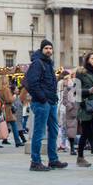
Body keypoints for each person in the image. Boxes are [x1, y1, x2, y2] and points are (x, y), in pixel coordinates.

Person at [25, 39, 66, 171]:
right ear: (42, 50)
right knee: (39, 132)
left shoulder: (49, 64)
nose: (49, 50)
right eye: (46, 48)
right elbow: (32, 83)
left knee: (53, 131)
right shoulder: (37, 63)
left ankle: (53, 160)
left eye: (50, 48)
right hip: (42, 103)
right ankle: (35, 161)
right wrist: (42, 98)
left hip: (51, 102)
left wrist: (52, 99)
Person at [59, 68, 80, 153]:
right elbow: (64, 100)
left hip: (80, 110)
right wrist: (70, 107)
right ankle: (72, 148)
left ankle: (83, 145)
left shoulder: (79, 85)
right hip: (71, 111)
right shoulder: (68, 87)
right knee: (71, 129)